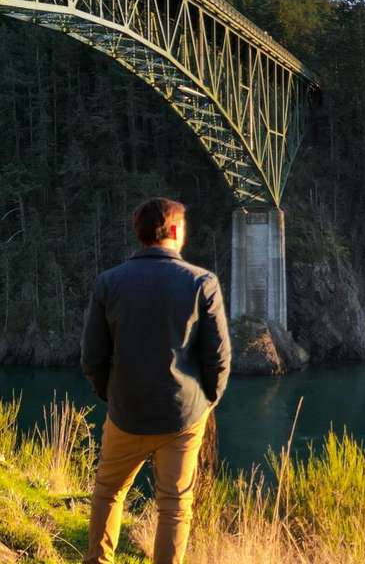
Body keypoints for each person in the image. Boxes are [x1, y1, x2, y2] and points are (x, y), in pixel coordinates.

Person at [82, 197, 231, 564]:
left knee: (108, 491)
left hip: (126, 410)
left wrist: (112, 395)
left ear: (141, 233)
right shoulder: (201, 282)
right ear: (175, 230)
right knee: (174, 505)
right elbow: (218, 358)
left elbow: (93, 357)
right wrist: (206, 401)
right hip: (182, 413)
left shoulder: (108, 282)